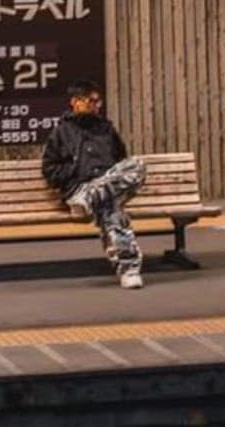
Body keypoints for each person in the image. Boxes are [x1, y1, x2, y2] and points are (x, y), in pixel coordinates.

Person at [41, 79, 148, 289]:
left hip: (98, 192)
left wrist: (103, 183)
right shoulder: (61, 132)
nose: (96, 106)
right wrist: (76, 169)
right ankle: (129, 269)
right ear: (76, 102)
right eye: (92, 101)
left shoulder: (106, 129)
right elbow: (49, 170)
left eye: (98, 102)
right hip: (78, 188)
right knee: (113, 212)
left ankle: (91, 198)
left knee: (136, 165)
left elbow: (121, 161)